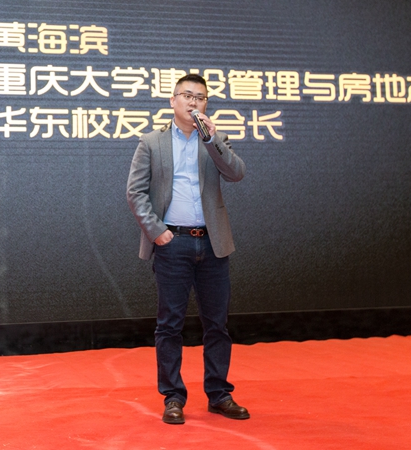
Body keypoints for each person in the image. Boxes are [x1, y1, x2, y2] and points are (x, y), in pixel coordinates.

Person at [126, 74, 248, 424]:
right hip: (173, 243)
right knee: (169, 325)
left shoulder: (214, 138)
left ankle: (219, 395)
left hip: (212, 243)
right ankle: (173, 397)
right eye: (188, 95)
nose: (194, 102)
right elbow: (135, 193)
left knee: (217, 324)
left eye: (201, 97)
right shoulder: (152, 142)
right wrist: (157, 232)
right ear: (173, 100)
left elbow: (236, 173)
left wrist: (212, 140)